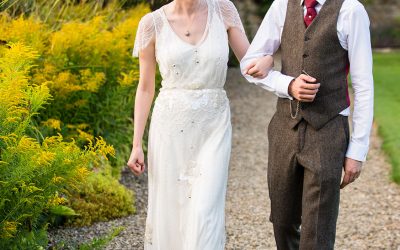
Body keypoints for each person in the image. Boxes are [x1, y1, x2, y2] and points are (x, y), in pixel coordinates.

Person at [127, 0, 273, 248]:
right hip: (169, 128)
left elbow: (250, 63)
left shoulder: (224, 10)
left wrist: (268, 60)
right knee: (172, 211)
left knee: (205, 209)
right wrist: (136, 144)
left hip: (213, 125)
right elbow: (145, 88)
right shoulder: (151, 24)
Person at [241, 0, 374, 249]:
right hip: (284, 127)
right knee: (282, 221)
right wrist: (287, 85)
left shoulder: (351, 10)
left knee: (317, 230)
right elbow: (248, 65)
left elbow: (363, 85)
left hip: (328, 130)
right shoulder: (282, 5)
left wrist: (357, 150)